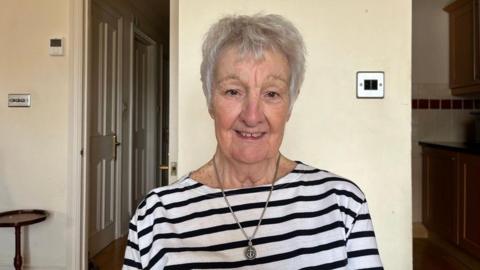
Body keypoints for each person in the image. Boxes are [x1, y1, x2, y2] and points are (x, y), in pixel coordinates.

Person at [123, 14, 383, 270]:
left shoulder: (342, 203)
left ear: (290, 105)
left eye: (271, 93)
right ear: (210, 100)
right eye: (233, 91)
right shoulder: (156, 216)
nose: (252, 116)